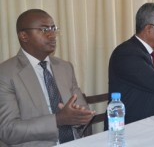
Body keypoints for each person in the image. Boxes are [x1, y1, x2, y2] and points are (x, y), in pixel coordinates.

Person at [0, 9, 95, 147]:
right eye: (44, 29)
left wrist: (79, 117)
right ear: (24, 36)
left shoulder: (65, 67)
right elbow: (7, 130)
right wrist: (58, 120)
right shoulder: (6, 73)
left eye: (53, 28)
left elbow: (82, 109)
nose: (52, 35)